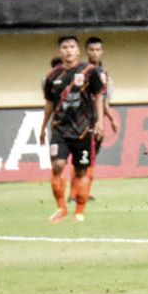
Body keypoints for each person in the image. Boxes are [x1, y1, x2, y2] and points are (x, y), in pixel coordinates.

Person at [40, 36, 106, 224]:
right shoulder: (52, 76)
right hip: (60, 129)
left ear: (78, 50)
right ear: (60, 51)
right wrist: (43, 127)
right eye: (64, 47)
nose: (68, 50)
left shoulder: (89, 72)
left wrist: (100, 122)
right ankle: (61, 207)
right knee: (57, 166)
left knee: (81, 171)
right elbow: (49, 103)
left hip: (83, 130)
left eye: (72, 47)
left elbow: (99, 96)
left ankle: (79, 211)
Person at [67, 37, 118, 203]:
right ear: (86, 51)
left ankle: (83, 192)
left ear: (102, 51)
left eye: (98, 50)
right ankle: (74, 193)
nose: (95, 53)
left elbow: (103, 100)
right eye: (92, 50)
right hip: (83, 121)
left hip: (97, 121)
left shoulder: (104, 73)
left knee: (90, 158)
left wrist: (109, 118)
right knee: (80, 158)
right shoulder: (81, 72)